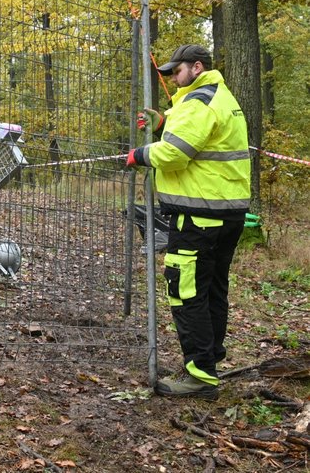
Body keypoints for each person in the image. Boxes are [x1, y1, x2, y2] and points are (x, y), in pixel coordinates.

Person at [127, 43, 251, 400]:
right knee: (212, 288)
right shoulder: (219, 97)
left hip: (200, 216)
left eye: (176, 71)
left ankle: (200, 375)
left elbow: (177, 154)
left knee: (186, 291)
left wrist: (139, 154)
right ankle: (209, 360)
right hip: (224, 214)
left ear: (197, 67)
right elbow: (204, 142)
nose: (172, 79)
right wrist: (164, 122)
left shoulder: (200, 101)